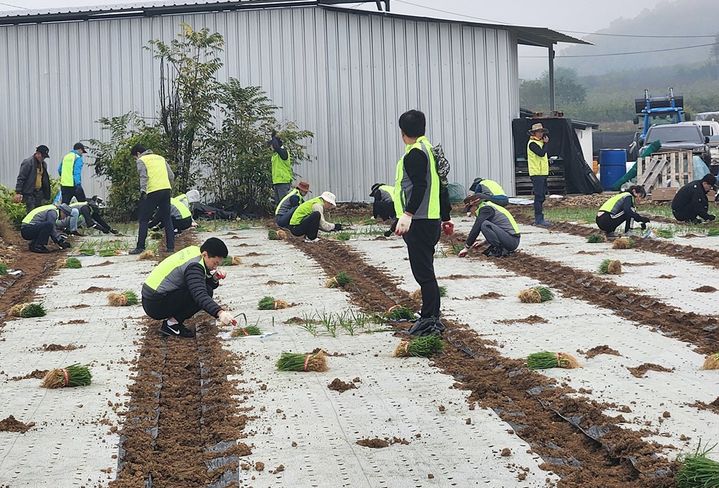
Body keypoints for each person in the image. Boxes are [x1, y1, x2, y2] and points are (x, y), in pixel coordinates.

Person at [393, 109, 453, 336]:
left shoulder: (414, 154)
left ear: (403, 132)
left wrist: (407, 215)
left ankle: (430, 319)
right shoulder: (430, 150)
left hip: (419, 221)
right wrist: (446, 217)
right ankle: (430, 314)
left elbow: (420, 187)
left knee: (424, 273)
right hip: (431, 219)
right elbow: (442, 186)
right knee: (427, 271)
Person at [141, 237, 237, 338]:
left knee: (204, 288)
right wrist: (220, 313)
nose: (215, 267)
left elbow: (198, 280)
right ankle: (171, 325)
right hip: (156, 304)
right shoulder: (194, 266)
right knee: (205, 292)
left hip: (150, 298)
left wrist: (214, 279)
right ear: (205, 254)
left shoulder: (194, 251)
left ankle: (172, 323)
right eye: (215, 263)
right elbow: (200, 295)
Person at [128, 144, 175, 255]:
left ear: (138, 153)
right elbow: (171, 175)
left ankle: (140, 247)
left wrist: (143, 191)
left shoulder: (142, 160)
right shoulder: (160, 158)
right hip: (166, 189)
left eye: (135, 157)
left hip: (152, 191)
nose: (136, 159)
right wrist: (168, 187)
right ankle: (170, 247)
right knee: (167, 219)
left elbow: (143, 176)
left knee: (143, 219)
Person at [527, 123, 552, 227]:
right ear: (534, 133)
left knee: (541, 196)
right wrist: (546, 144)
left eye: (542, 132)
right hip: (536, 173)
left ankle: (540, 218)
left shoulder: (540, 143)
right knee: (538, 196)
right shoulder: (532, 143)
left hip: (542, 173)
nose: (541, 134)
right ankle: (538, 219)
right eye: (539, 132)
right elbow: (541, 153)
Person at [14, 145, 52, 212]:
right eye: (42, 156)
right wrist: (18, 192)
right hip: (29, 194)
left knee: (39, 213)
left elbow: (44, 179)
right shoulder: (28, 162)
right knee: (30, 214)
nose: (43, 158)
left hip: (39, 193)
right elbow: (21, 178)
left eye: (44, 157)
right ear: (37, 153)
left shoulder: (43, 164)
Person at [269, 131, 292, 205]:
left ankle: (286, 216)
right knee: (278, 204)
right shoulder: (275, 155)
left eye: (272, 145)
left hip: (283, 181)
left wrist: (273, 138)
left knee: (284, 203)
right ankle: (279, 216)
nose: (271, 147)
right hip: (277, 181)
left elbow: (276, 147)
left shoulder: (283, 152)